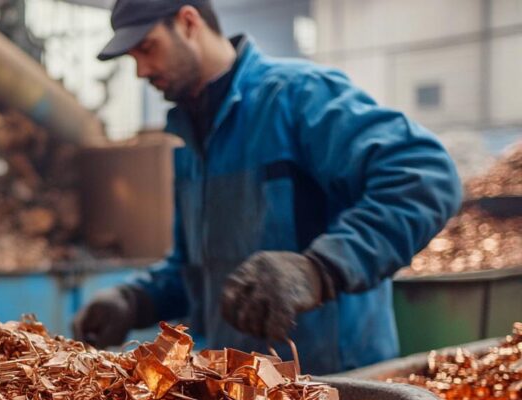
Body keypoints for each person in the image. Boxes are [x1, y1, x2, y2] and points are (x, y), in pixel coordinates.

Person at [72, 0, 461, 374]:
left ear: (189, 22)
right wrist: (134, 299)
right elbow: (198, 272)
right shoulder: (191, 140)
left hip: (335, 393)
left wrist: (320, 269)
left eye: (147, 48)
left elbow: (425, 176)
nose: (141, 70)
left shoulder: (297, 96)